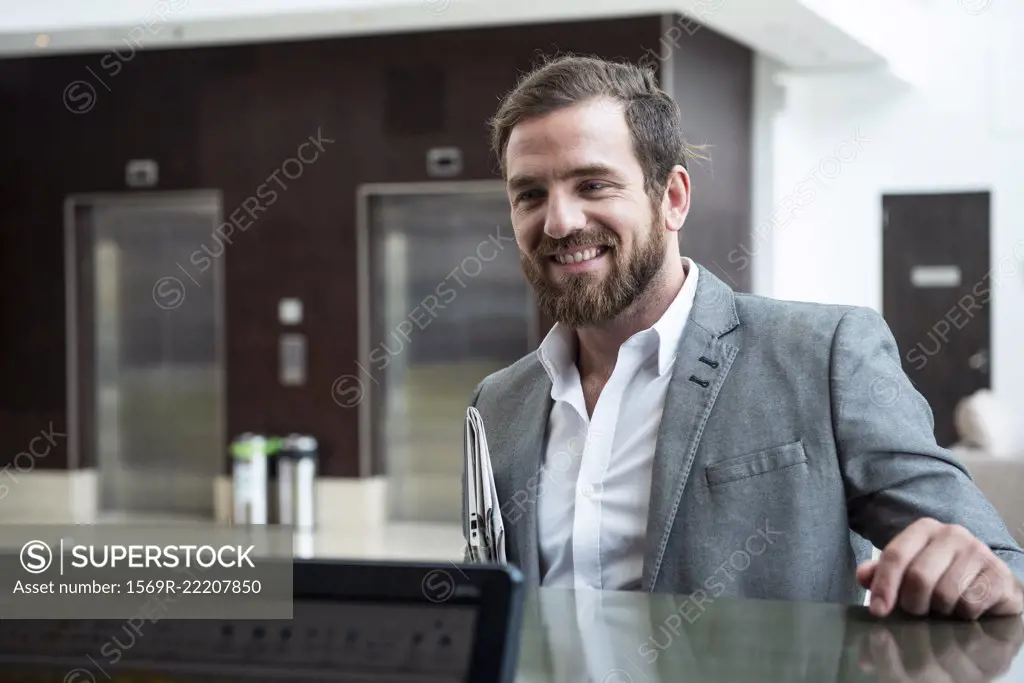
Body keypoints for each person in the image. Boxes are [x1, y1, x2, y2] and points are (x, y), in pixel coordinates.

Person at [461, 54, 1024, 620]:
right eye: (530, 194)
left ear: (673, 198)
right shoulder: (499, 403)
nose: (559, 222)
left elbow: (1002, 570)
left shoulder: (822, 356)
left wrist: (977, 576)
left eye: (593, 184)